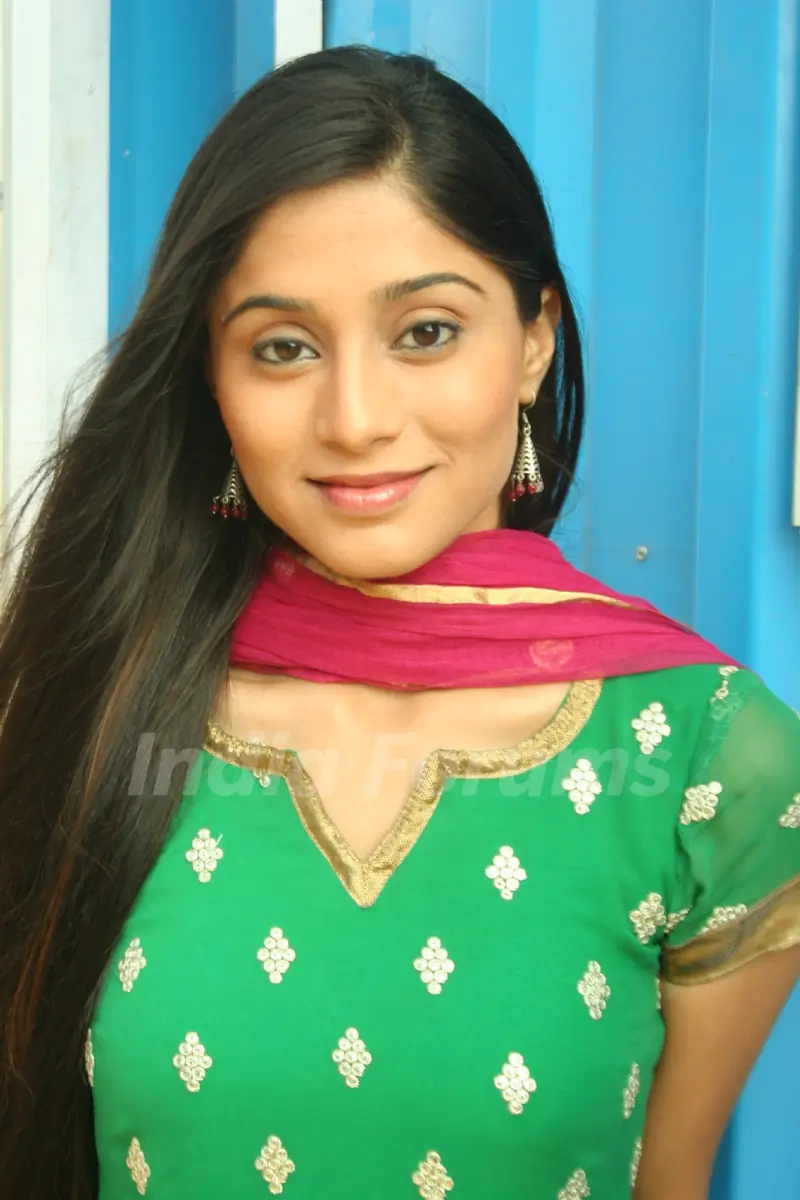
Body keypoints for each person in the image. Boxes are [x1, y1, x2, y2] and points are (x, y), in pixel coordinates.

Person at [0, 45, 798, 1200]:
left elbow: (663, 1180)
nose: (355, 418)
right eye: (282, 347)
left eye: (425, 331)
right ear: (211, 378)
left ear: (533, 340)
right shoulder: (99, 693)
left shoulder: (708, 756)